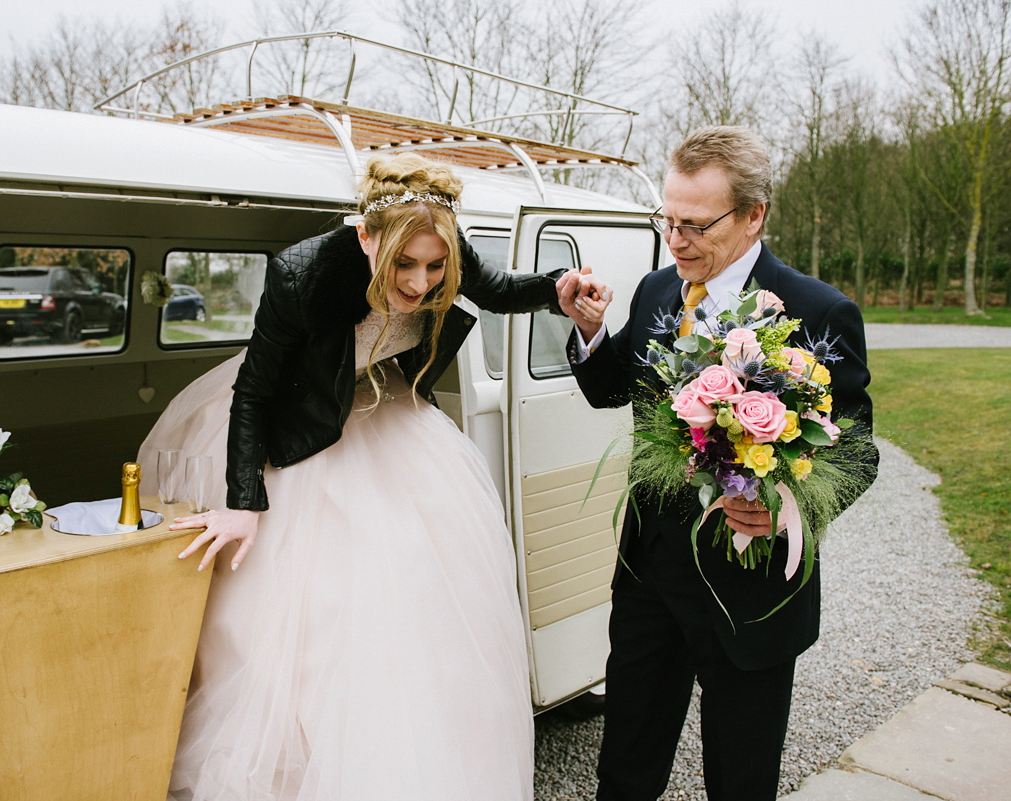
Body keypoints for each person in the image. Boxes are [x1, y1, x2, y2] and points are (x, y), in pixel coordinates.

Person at [137, 153, 584, 801]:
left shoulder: (443, 247)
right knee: (302, 610)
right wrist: (243, 500)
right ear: (366, 236)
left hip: (391, 411)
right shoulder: (302, 272)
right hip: (301, 422)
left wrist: (557, 289)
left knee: (416, 593)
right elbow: (255, 392)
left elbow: (500, 291)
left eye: (436, 266)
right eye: (404, 265)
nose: (421, 283)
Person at [558, 126, 878, 801]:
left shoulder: (818, 312)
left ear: (753, 214)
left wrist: (780, 506)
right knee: (624, 767)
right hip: (650, 577)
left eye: (695, 225)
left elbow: (857, 449)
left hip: (751, 593)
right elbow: (611, 389)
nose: (675, 240)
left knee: (741, 777)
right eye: (666, 221)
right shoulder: (654, 293)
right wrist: (589, 333)